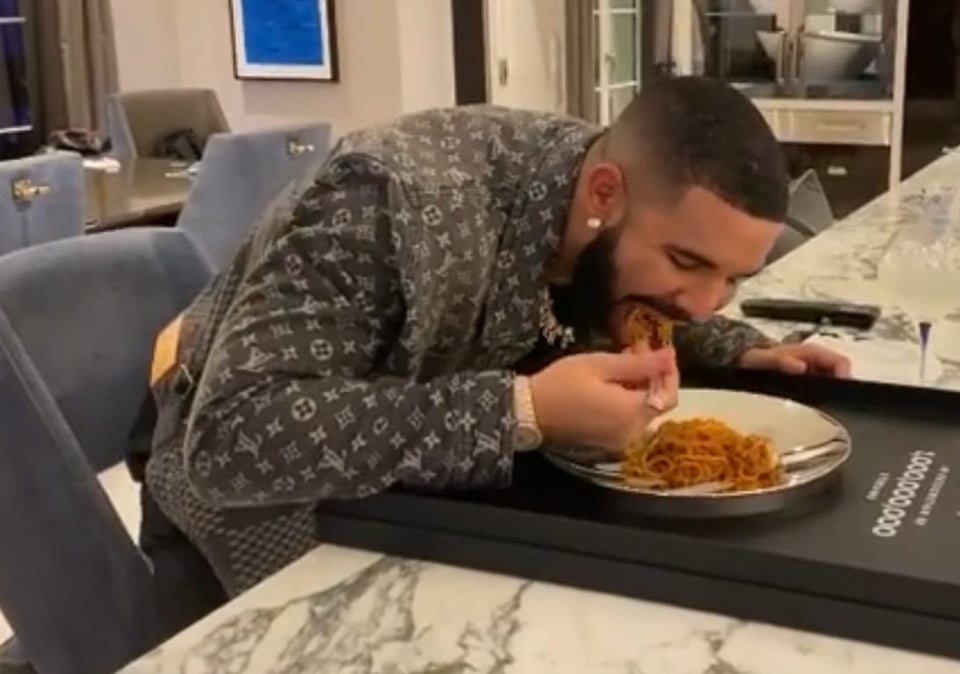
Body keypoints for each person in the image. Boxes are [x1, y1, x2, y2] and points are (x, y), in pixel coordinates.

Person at [135, 76, 851, 633]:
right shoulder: (390, 198)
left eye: (731, 278)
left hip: (402, 477)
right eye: (686, 261)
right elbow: (235, 436)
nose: (705, 300)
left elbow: (614, 289)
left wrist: (737, 354)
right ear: (606, 192)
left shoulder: (598, 188)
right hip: (239, 479)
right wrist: (522, 410)